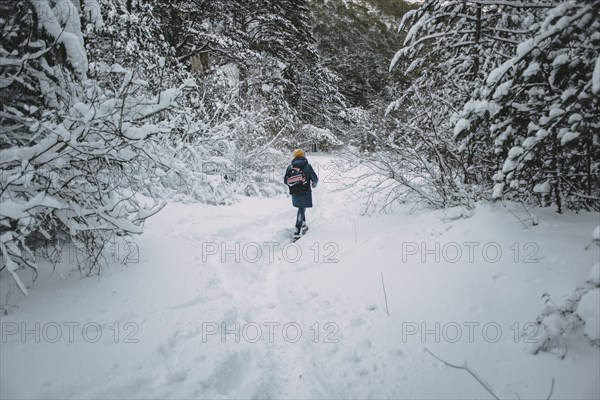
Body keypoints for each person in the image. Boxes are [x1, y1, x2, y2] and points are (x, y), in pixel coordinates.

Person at [283, 149, 318, 239]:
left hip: (295, 192)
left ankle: (304, 226)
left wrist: (294, 185)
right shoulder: (307, 166)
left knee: (301, 208)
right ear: (303, 155)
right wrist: (314, 184)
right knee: (301, 209)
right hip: (305, 191)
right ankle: (297, 232)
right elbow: (315, 178)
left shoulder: (290, 167)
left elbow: (285, 180)